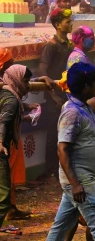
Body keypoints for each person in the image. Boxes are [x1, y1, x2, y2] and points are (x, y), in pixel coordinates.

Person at [46, 63, 95, 241]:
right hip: (80, 179)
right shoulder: (72, 112)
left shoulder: (84, 106)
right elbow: (62, 149)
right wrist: (75, 184)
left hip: (81, 177)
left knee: (61, 226)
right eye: (94, 83)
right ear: (87, 87)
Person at [0, 65, 55, 228]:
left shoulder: (6, 92)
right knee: (3, 200)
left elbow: (8, 115)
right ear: (17, 80)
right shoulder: (11, 100)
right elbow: (3, 121)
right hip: (1, 148)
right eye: (25, 82)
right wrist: (1, 143)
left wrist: (27, 112)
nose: (29, 86)